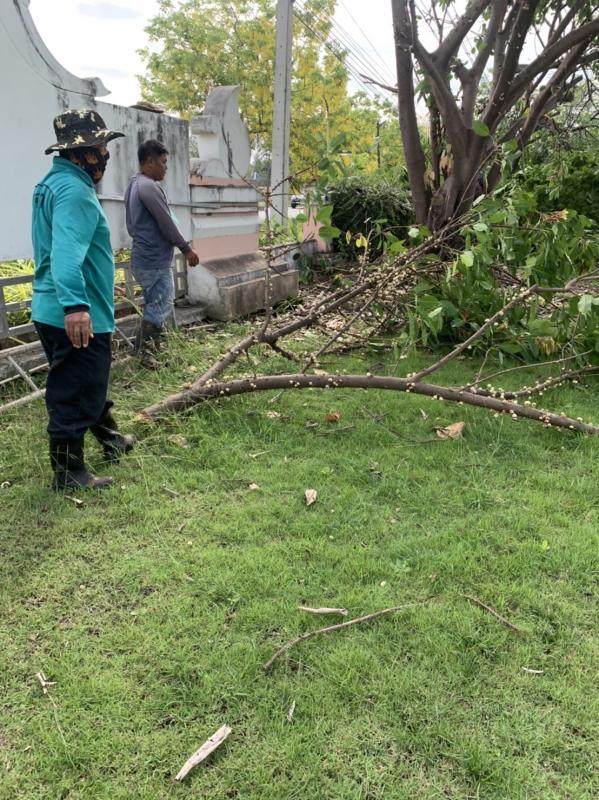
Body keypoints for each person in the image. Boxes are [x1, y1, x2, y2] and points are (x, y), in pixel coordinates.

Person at [31, 109, 135, 491]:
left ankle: (113, 441)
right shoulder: (75, 192)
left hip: (53, 307)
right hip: (71, 312)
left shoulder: (52, 184)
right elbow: (64, 255)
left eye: (104, 146)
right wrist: (76, 305)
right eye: (97, 147)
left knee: (89, 381)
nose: (104, 154)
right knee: (74, 390)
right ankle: (69, 474)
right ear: (80, 153)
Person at [124, 140, 199, 368]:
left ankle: (147, 349)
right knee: (160, 305)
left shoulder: (135, 184)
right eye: (163, 162)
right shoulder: (149, 187)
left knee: (154, 304)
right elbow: (166, 223)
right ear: (149, 162)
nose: (166, 167)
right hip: (153, 260)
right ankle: (145, 355)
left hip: (144, 257)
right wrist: (186, 249)